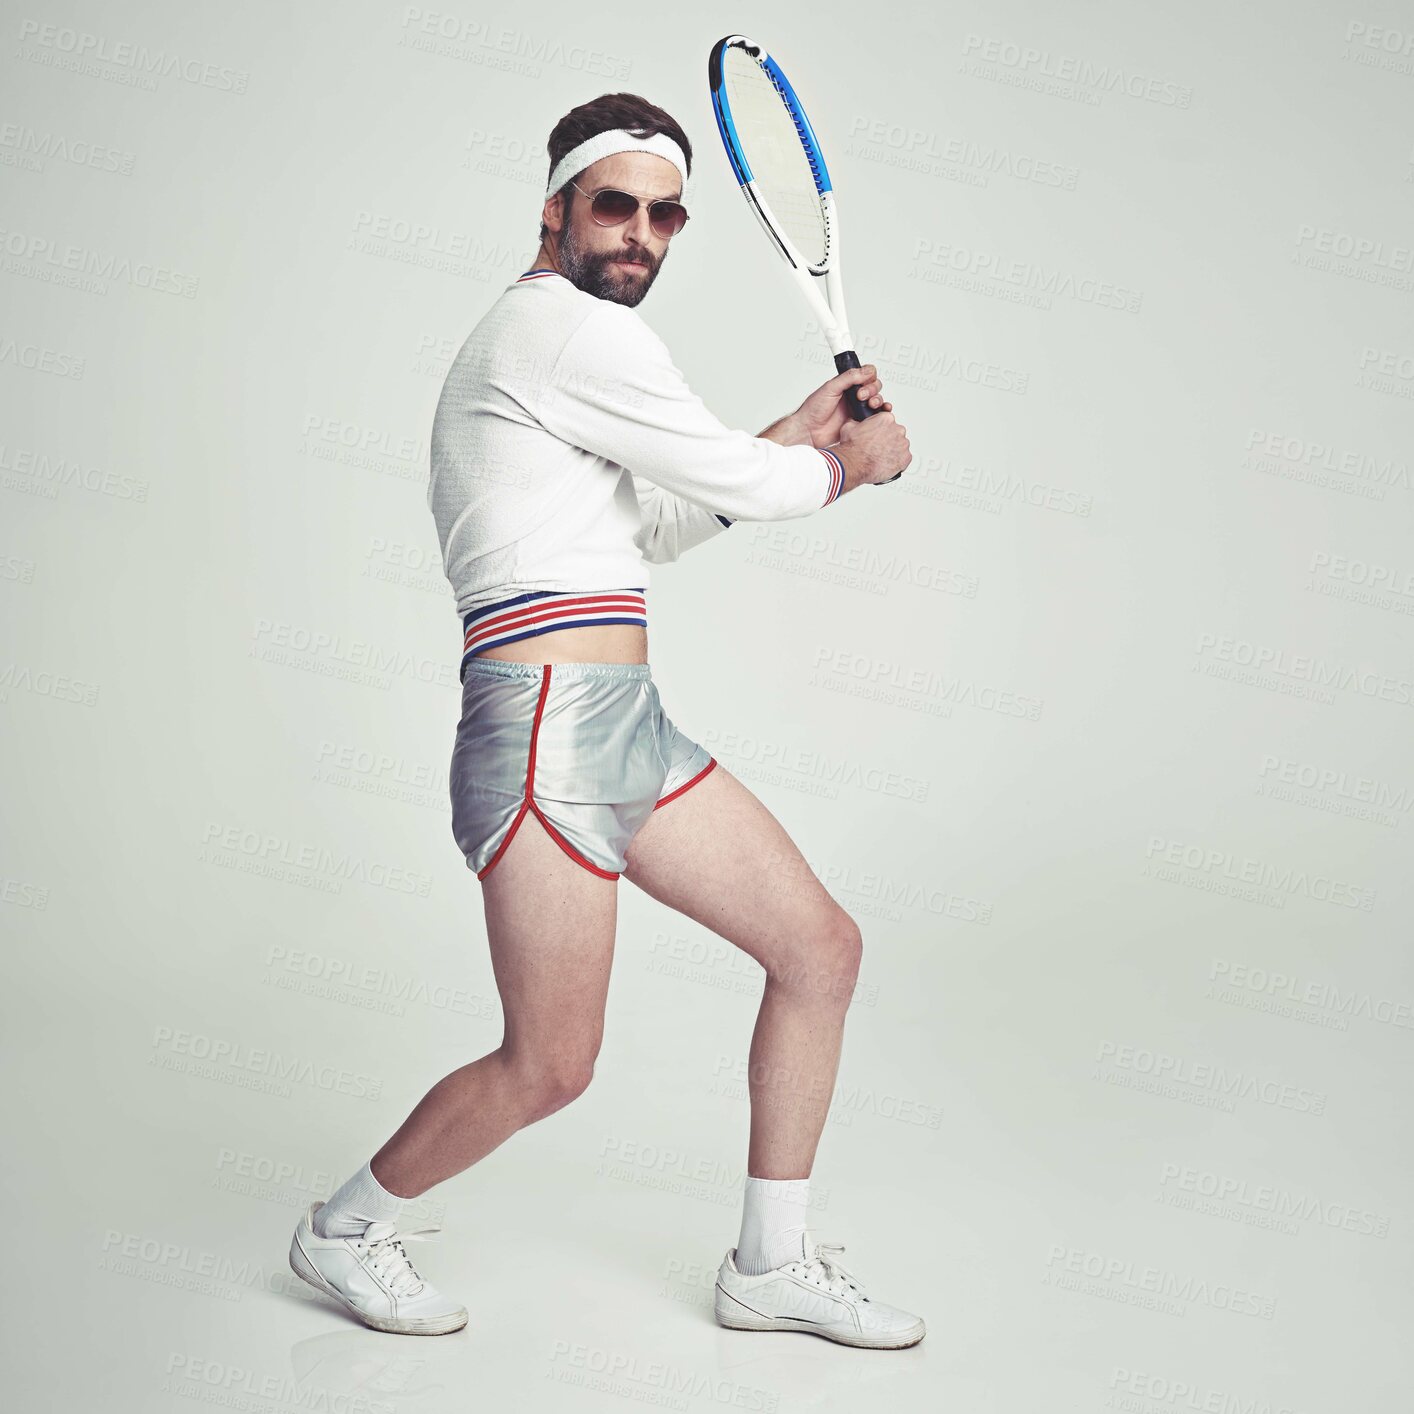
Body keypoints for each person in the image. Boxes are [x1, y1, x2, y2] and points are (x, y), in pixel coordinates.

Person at [288, 91, 919, 1348]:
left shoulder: (570, 352)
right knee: (551, 1066)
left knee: (819, 950)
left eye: (663, 213)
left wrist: (797, 437)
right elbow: (745, 484)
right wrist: (850, 463)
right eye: (613, 204)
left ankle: (769, 1264)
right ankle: (343, 1229)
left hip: (627, 720)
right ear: (555, 209)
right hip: (540, 736)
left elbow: (652, 527)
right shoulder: (562, 332)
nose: (639, 231)